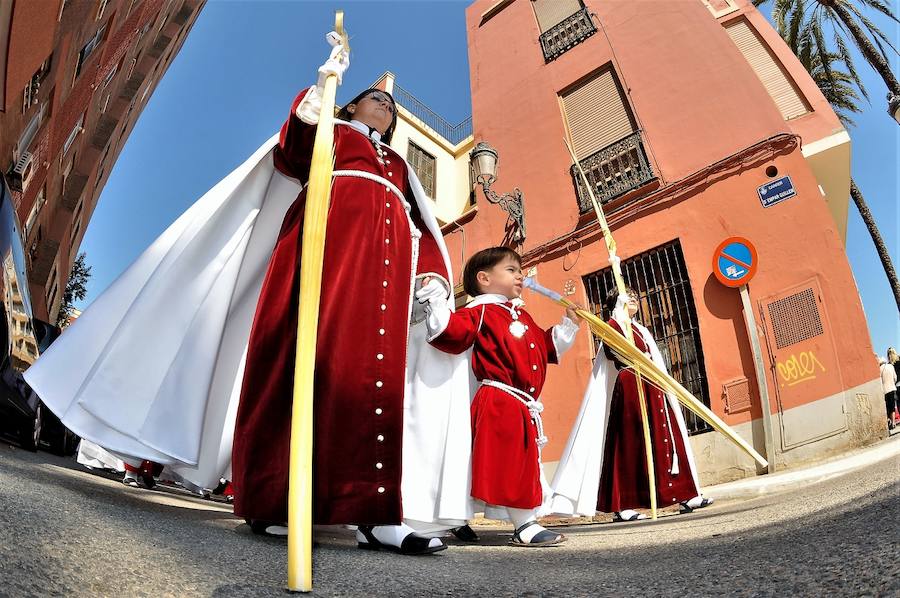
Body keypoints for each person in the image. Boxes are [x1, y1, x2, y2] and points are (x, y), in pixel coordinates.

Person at [24, 33, 472, 555]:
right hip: (326, 262)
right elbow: (293, 152)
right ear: (351, 105)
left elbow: (424, 227)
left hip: (384, 279)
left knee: (372, 382)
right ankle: (278, 502)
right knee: (306, 369)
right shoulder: (334, 131)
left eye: (391, 105)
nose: (386, 105)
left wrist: (433, 283)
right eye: (377, 97)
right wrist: (325, 83)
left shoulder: (399, 168)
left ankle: (375, 513)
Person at [417, 247, 581, 547]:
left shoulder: (521, 315)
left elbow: (545, 348)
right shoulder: (480, 311)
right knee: (511, 463)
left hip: (521, 403)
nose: (520, 275)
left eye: (520, 270)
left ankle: (457, 519)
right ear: (484, 278)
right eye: (511, 269)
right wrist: (437, 301)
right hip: (498, 399)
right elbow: (450, 334)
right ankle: (524, 524)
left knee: (517, 461)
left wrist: (568, 324)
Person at [548, 287, 712, 522]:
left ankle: (684, 494)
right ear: (616, 302)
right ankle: (623, 504)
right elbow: (614, 353)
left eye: (635, 296)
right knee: (630, 444)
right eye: (627, 297)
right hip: (631, 388)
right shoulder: (612, 327)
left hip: (653, 386)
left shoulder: (641, 329)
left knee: (666, 438)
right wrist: (617, 321)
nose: (633, 299)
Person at [879, 354, 897, 431]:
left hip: (884, 391)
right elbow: (895, 378)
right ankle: (893, 423)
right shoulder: (890, 366)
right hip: (892, 388)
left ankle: (889, 421)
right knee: (892, 406)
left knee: (887, 408)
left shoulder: (879, 369)